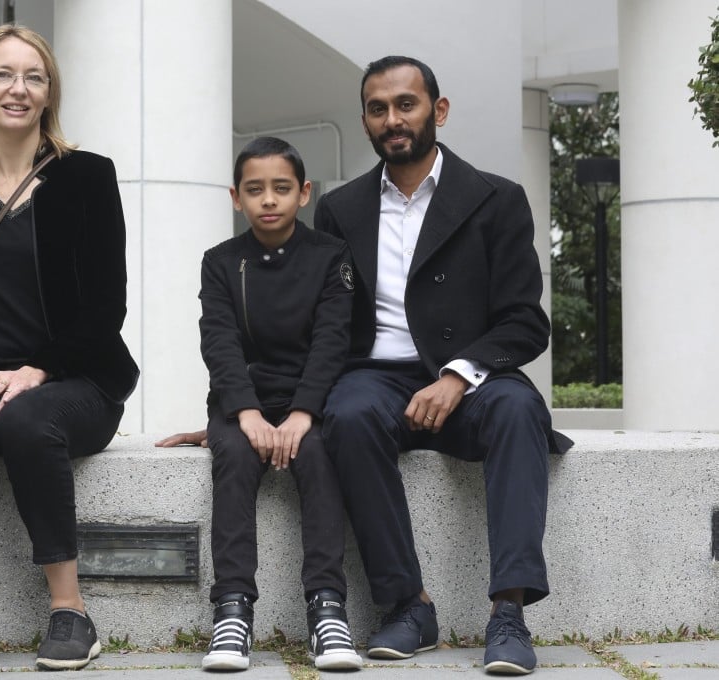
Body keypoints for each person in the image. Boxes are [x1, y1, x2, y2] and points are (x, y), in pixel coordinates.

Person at [313, 56, 573, 676]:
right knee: (345, 417)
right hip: (374, 376)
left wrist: (458, 375)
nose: (393, 119)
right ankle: (409, 605)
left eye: (406, 104)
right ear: (366, 121)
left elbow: (524, 321)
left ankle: (508, 613)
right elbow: (321, 325)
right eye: (379, 108)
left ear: (439, 110)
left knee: (517, 409)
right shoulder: (339, 209)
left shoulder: (497, 200)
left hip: (472, 380)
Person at [0, 24, 138, 673]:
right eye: (4, 75)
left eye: (33, 76)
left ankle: (71, 612)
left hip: (76, 381)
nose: (19, 88)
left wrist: (39, 369)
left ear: (48, 93)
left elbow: (107, 304)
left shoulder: (88, 177)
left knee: (28, 417)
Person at [197, 137, 361, 672]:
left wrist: (302, 413)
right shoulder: (221, 262)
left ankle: (327, 606)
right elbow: (218, 340)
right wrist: (243, 411)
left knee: (318, 455)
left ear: (304, 193)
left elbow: (333, 340)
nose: (269, 199)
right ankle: (232, 608)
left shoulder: (330, 256)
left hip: (307, 401)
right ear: (235, 197)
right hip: (240, 399)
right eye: (255, 189)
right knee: (236, 458)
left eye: (282, 188)